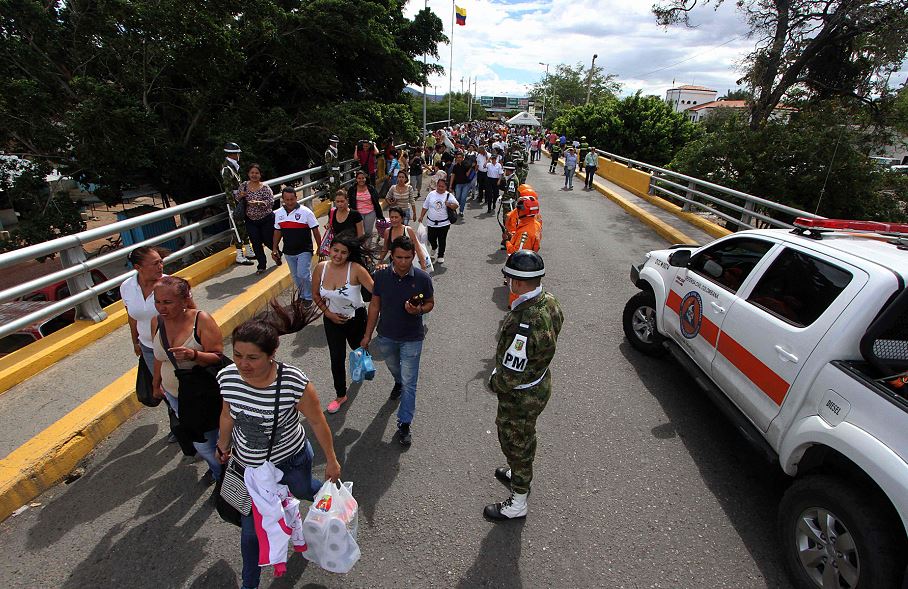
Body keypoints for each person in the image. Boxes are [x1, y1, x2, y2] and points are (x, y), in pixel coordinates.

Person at [216, 310, 341, 589]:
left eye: (252, 357)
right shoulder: (227, 378)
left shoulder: (293, 382)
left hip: (291, 461)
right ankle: (250, 584)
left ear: (272, 353)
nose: (242, 364)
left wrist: (332, 460)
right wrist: (222, 445)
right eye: (237, 355)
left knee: (305, 490)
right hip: (252, 473)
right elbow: (227, 415)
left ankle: (330, 497)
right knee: (251, 533)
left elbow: (318, 423)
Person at [485, 251, 563, 521]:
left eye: (509, 279)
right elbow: (558, 326)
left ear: (517, 283)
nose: (507, 283)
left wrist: (494, 383)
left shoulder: (524, 321)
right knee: (523, 437)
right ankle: (518, 473)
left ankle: (519, 498)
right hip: (539, 382)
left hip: (521, 396)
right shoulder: (548, 301)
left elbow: (509, 376)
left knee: (515, 440)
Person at [151, 276, 226, 484]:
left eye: (167, 302)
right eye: (157, 302)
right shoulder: (156, 322)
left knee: (209, 441)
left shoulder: (201, 320)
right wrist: (156, 383)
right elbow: (158, 356)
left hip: (202, 394)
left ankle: (223, 477)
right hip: (176, 396)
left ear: (184, 301)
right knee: (203, 441)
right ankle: (221, 471)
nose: (161, 308)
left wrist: (194, 355)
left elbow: (218, 356)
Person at [360, 236, 434, 446]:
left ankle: (404, 423)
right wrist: (367, 335)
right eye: (399, 257)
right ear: (392, 255)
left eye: (408, 257)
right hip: (386, 336)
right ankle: (398, 382)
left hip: (412, 338)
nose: (403, 262)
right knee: (395, 369)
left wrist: (418, 309)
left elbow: (430, 303)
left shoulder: (422, 278)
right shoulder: (381, 276)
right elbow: (374, 306)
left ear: (413, 256)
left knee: (411, 383)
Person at [311, 231, 376, 414]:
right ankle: (341, 394)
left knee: (359, 349)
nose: (338, 255)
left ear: (349, 254)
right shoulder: (321, 268)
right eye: (335, 250)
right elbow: (315, 294)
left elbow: (375, 291)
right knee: (336, 357)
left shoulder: (355, 269)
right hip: (332, 320)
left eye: (343, 252)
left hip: (356, 319)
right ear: (329, 249)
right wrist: (329, 314)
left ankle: (364, 361)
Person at [121, 246, 178, 443]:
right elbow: (131, 317)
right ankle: (177, 424)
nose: (161, 266)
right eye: (155, 264)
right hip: (147, 346)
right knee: (162, 388)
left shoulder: (170, 284)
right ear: (138, 267)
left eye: (161, 261)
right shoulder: (127, 287)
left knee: (177, 386)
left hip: (172, 347)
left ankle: (190, 425)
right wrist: (135, 341)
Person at [272, 187, 321, 305]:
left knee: (303, 273)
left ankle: (309, 297)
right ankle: (302, 295)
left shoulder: (306, 212)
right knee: (295, 276)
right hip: (288, 251)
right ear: (283, 199)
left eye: (292, 199)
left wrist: (320, 246)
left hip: (304, 249)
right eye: (287, 200)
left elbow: (315, 230)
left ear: (296, 198)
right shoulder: (278, 213)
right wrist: (274, 248)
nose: (289, 202)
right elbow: (277, 231)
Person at [238, 163, 279, 274]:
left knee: (267, 240)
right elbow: (237, 198)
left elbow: (271, 202)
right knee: (255, 242)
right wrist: (240, 196)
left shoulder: (265, 188)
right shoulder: (244, 186)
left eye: (257, 173)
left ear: (260, 175)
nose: (254, 175)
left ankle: (277, 253)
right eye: (252, 173)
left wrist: (259, 203)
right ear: (248, 174)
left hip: (266, 219)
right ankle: (261, 265)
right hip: (250, 220)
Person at [220, 142, 255, 266]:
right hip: (234, 203)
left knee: (243, 227)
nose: (239, 155)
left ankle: (248, 250)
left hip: (239, 200)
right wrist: (233, 205)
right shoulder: (227, 169)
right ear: (233, 154)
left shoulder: (233, 167)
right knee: (237, 228)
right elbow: (228, 190)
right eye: (237, 153)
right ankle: (240, 255)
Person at [418, 177, 458, 264]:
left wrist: (449, 205)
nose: (440, 188)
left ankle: (440, 255)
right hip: (431, 223)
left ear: (446, 187)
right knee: (431, 238)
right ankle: (434, 247)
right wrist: (421, 216)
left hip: (444, 223)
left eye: (442, 186)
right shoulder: (431, 194)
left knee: (442, 240)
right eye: (439, 186)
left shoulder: (449, 195)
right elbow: (425, 206)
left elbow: (456, 205)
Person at [379, 206, 428, 271]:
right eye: (391, 217)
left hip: (410, 265)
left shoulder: (408, 230)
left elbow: (417, 248)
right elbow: (385, 248)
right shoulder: (387, 232)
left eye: (396, 217)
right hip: (394, 266)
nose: (393, 220)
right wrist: (379, 262)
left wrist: (423, 265)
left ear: (402, 218)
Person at [347, 170, 384, 239]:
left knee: (368, 232)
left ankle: (367, 247)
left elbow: (376, 201)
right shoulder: (352, 189)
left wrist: (380, 215)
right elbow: (349, 202)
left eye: (363, 178)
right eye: (359, 178)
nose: (361, 180)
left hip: (370, 212)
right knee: (359, 232)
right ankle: (360, 247)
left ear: (366, 178)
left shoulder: (371, 188)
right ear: (356, 179)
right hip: (357, 213)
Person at [450, 152, 472, 218]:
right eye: (457, 157)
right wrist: (450, 185)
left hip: (466, 184)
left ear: (463, 158)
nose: (458, 159)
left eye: (460, 157)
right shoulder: (455, 166)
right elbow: (453, 175)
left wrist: (470, 169)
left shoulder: (466, 165)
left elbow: (468, 174)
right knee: (457, 198)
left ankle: (461, 211)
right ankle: (456, 207)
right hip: (458, 184)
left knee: (463, 198)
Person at [323, 134, 341, 199]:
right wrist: (331, 175)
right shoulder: (329, 152)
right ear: (333, 142)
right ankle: (333, 206)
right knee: (333, 191)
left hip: (336, 173)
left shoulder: (335, 150)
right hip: (333, 174)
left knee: (338, 190)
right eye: (336, 143)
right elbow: (328, 164)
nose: (336, 144)